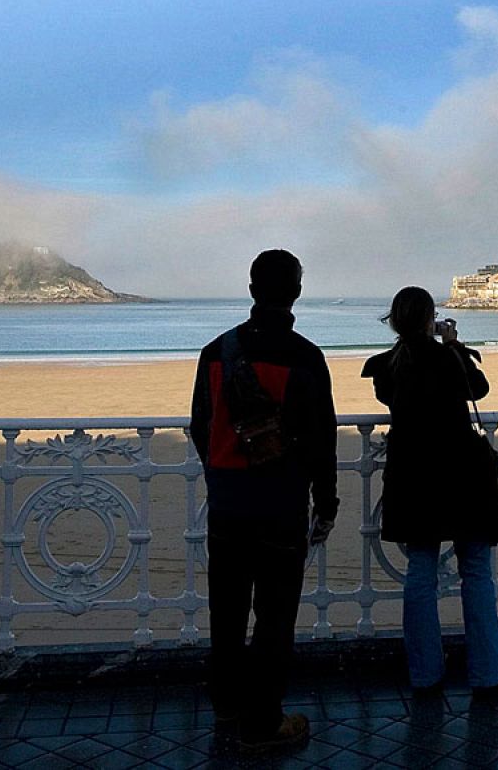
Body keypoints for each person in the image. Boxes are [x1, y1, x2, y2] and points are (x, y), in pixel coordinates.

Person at [190, 249, 338, 751]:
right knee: (275, 616)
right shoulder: (305, 358)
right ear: (296, 292)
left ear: (252, 289)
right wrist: (326, 500)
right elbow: (321, 440)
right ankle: (264, 722)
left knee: (227, 610)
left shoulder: (215, 352)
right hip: (281, 503)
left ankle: (227, 703)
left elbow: (200, 426)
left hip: (227, 503)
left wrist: (220, 472)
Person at [361, 287, 498, 698]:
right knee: (476, 570)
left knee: (421, 570)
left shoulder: (388, 365)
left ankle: (425, 673)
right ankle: (488, 672)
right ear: (431, 319)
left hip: (413, 476)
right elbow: (478, 389)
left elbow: (387, 395)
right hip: (462, 474)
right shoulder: (448, 358)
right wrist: (453, 344)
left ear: (395, 322)